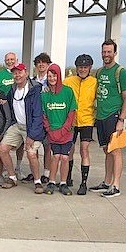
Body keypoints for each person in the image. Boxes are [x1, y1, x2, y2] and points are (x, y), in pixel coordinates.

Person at [90, 39, 126, 198]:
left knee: (115, 150)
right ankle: (107, 182)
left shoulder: (120, 72)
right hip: (101, 116)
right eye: (104, 51)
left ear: (115, 53)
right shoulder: (100, 72)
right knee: (106, 149)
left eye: (109, 52)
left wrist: (121, 119)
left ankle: (116, 185)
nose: (106, 54)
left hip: (113, 115)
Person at [0, 63, 45, 192]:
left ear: (26, 73)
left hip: (31, 127)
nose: (17, 75)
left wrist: (31, 135)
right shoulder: (12, 89)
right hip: (17, 125)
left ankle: (37, 181)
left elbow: (38, 115)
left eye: (20, 72)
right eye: (15, 73)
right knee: (2, 148)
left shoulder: (34, 89)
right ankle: (12, 177)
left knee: (31, 153)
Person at [63, 54, 97, 195]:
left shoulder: (95, 82)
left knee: (84, 149)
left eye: (85, 67)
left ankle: (83, 183)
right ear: (76, 68)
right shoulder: (68, 81)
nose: (83, 69)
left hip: (87, 120)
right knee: (69, 149)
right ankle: (68, 177)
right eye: (80, 67)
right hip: (71, 120)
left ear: (89, 68)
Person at [42, 64, 77, 196]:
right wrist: (49, 129)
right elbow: (44, 114)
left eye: (54, 75)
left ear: (59, 76)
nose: (52, 78)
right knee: (55, 156)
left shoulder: (68, 92)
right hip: (53, 132)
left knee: (64, 157)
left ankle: (63, 182)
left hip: (66, 132)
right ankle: (51, 181)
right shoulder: (44, 95)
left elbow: (72, 112)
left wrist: (65, 129)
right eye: (49, 76)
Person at [22, 52, 53, 184]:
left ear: (48, 64)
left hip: (48, 116)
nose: (41, 65)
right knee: (35, 148)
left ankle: (46, 173)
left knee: (47, 146)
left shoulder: (51, 80)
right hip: (35, 117)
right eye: (38, 62)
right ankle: (35, 173)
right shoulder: (32, 81)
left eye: (44, 62)